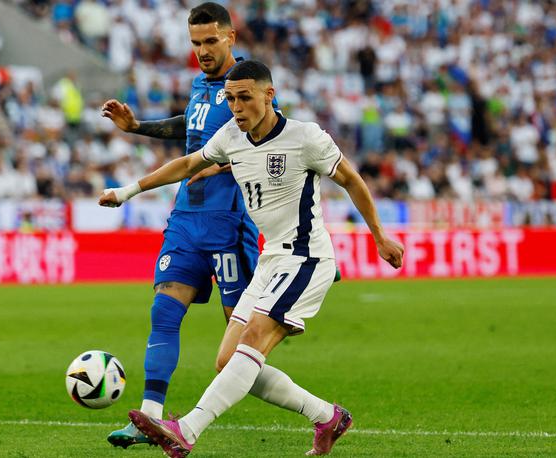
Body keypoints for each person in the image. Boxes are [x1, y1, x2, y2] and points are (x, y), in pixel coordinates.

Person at [98, 60, 404, 457]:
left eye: (245, 98)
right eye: (231, 99)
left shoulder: (306, 137)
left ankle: (186, 429)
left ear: (268, 95)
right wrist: (127, 191)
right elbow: (189, 162)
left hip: (306, 257)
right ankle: (327, 416)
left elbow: (351, 179)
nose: (237, 107)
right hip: (270, 260)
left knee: (255, 340)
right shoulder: (232, 136)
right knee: (228, 362)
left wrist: (379, 236)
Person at [101, 3, 263, 448]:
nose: (202, 52)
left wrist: (227, 165)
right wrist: (137, 127)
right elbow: (189, 130)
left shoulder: (250, 87)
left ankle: (320, 411)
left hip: (229, 222)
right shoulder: (199, 85)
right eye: (195, 44)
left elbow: (266, 145)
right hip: (186, 219)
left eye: (211, 41)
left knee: (242, 346)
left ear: (231, 36)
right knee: (163, 311)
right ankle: (149, 417)